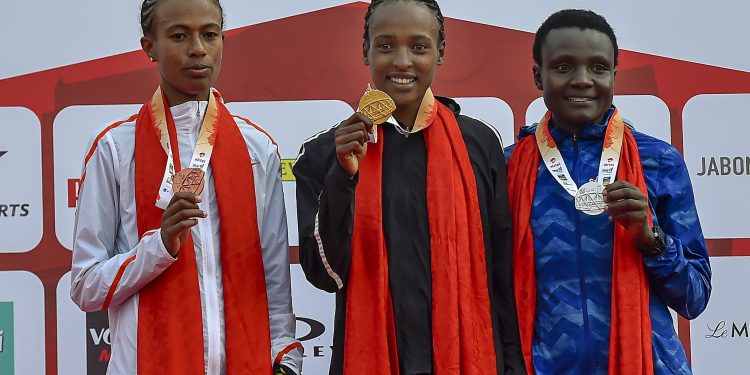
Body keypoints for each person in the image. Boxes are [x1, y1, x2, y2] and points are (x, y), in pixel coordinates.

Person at [293, 1, 526, 374]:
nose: (402, 61)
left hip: (469, 358)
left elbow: (501, 278)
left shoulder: (478, 143)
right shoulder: (325, 152)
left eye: (419, 47)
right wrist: (343, 177)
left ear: (441, 52)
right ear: (365, 50)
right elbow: (326, 275)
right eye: (386, 46)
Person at [69, 0, 301, 373]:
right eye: (179, 36)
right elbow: (84, 286)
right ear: (150, 47)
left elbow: (274, 278)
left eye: (210, 34)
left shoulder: (258, 149)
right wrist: (157, 247)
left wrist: (286, 359)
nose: (198, 48)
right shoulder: (114, 147)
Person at [505, 9, 711, 375]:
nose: (583, 80)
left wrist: (651, 238)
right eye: (564, 66)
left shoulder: (657, 161)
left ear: (614, 76)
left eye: (598, 68)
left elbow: (695, 298)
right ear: (538, 75)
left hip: (647, 365)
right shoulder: (506, 167)